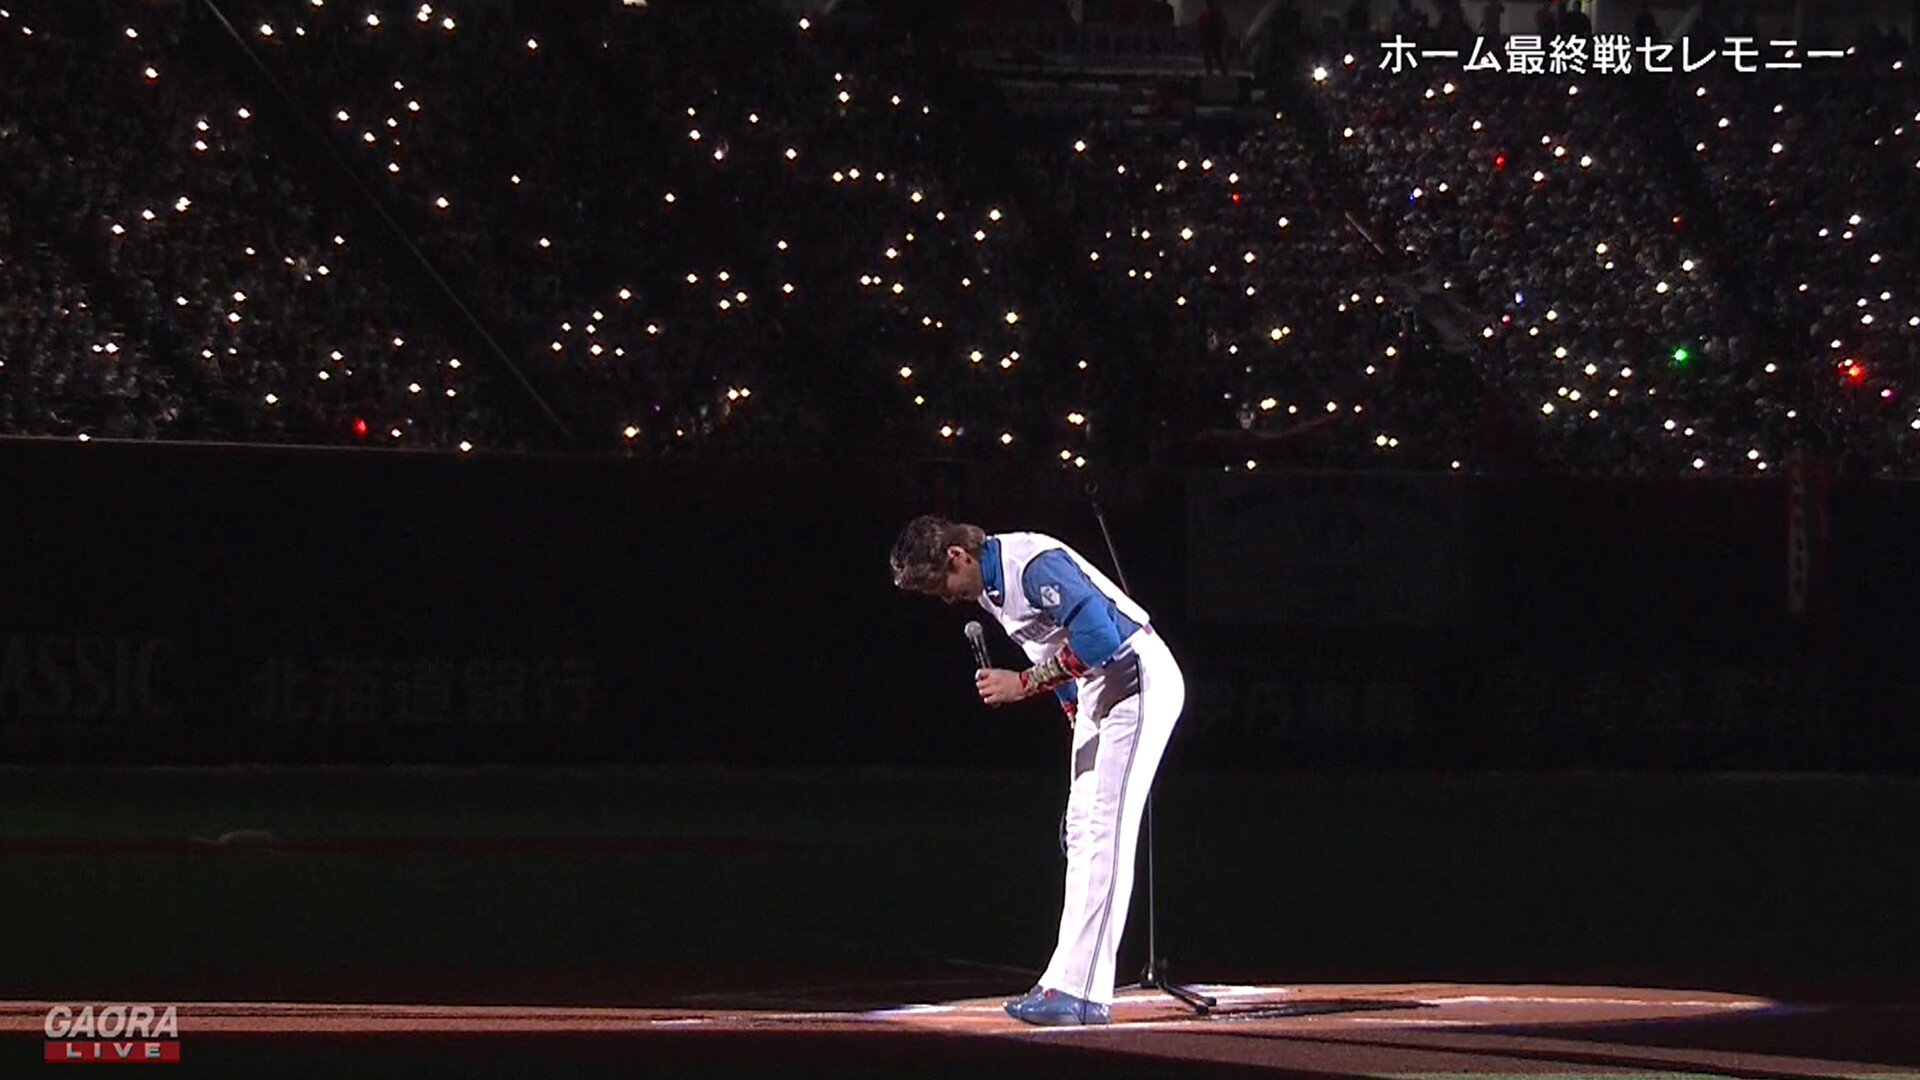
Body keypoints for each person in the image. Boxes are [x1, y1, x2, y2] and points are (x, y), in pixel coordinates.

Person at [890, 515, 1187, 1027]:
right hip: (1100, 694)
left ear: (957, 556)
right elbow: (1062, 662)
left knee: (1105, 832)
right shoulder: (992, 592)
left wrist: (1023, 684)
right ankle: (1064, 979)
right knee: (1082, 831)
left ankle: (1084, 991)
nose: (945, 598)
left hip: (1136, 679)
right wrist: (1075, 729)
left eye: (940, 585)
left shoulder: (1030, 563)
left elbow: (1101, 636)